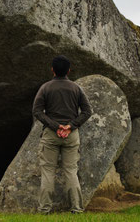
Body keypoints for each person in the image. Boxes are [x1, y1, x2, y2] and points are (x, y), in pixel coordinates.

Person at [32, 55, 92, 214]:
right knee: (71, 171)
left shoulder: (45, 88)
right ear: (69, 70)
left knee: (48, 172)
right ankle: (77, 209)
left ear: (52, 70)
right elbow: (87, 111)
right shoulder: (76, 88)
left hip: (51, 135)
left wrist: (55, 125)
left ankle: (44, 210)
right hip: (71, 135)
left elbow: (37, 111)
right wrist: (70, 126)